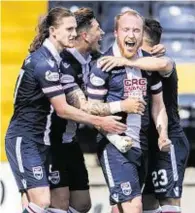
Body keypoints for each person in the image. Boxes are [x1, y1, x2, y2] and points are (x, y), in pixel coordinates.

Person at [5, 7, 127, 213]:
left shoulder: (58, 61)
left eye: (74, 28)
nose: (74, 33)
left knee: (76, 204)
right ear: (53, 31)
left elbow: (78, 101)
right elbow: (62, 110)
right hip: (25, 139)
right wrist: (101, 121)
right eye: (69, 29)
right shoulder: (45, 63)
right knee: (43, 201)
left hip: (43, 140)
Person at [49, 7, 146, 213]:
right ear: (85, 35)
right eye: (98, 29)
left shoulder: (96, 60)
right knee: (45, 200)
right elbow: (85, 107)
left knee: (83, 204)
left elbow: (160, 63)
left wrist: (145, 56)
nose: (102, 33)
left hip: (71, 140)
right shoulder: (63, 64)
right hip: (49, 140)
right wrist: (122, 106)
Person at [98, 18, 189, 213]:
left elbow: (164, 63)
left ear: (154, 48)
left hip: (167, 139)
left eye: (139, 39)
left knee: (168, 203)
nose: (133, 45)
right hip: (141, 140)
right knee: (137, 203)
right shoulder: (123, 66)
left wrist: (124, 60)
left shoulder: (161, 63)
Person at [86, 9, 170, 213]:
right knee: (134, 206)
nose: (131, 35)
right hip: (114, 145)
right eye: (126, 30)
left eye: (136, 30)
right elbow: (89, 110)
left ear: (142, 34)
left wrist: (163, 134)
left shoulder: (148, 64)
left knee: (120, 207)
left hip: (141, 145)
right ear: (116, 33)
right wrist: (122, 106)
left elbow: (158, 104)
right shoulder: (103, 65)